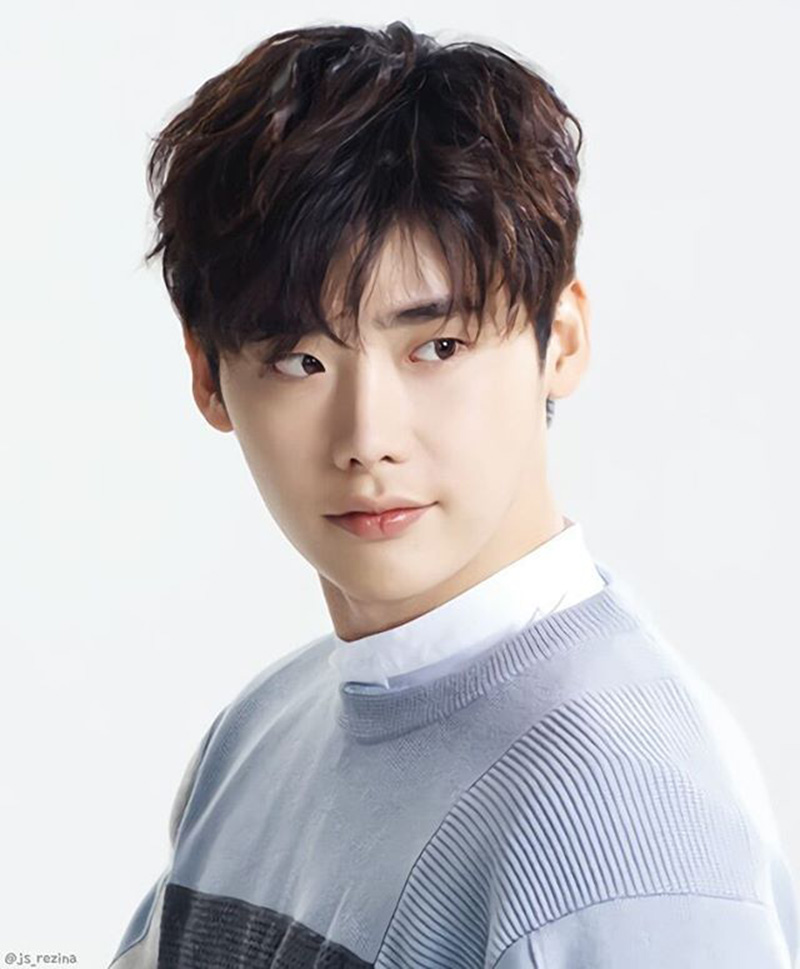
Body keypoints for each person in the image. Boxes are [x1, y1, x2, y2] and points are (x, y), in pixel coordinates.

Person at [109, 20, 798, 968]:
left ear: (560, 340)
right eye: (301, 359)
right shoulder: (260, 729)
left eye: (438, 346)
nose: (368, 438)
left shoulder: (627, 828)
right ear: (208, 377)